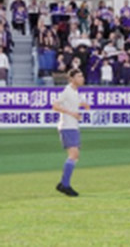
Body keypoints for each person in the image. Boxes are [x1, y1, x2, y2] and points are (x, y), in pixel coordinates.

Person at [53, 68, 86, 197]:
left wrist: (84, 106)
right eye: (79, 76)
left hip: (73, 126)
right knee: (74, 155)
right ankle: (64, 185)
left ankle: (64, 184)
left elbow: (78, 103)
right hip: (67, 126)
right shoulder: (67, 91)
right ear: (72, 79)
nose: (82, 78)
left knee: (75, 155)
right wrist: (72, 113)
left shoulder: (75, 92)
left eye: (82, 76)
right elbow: (55, 106)